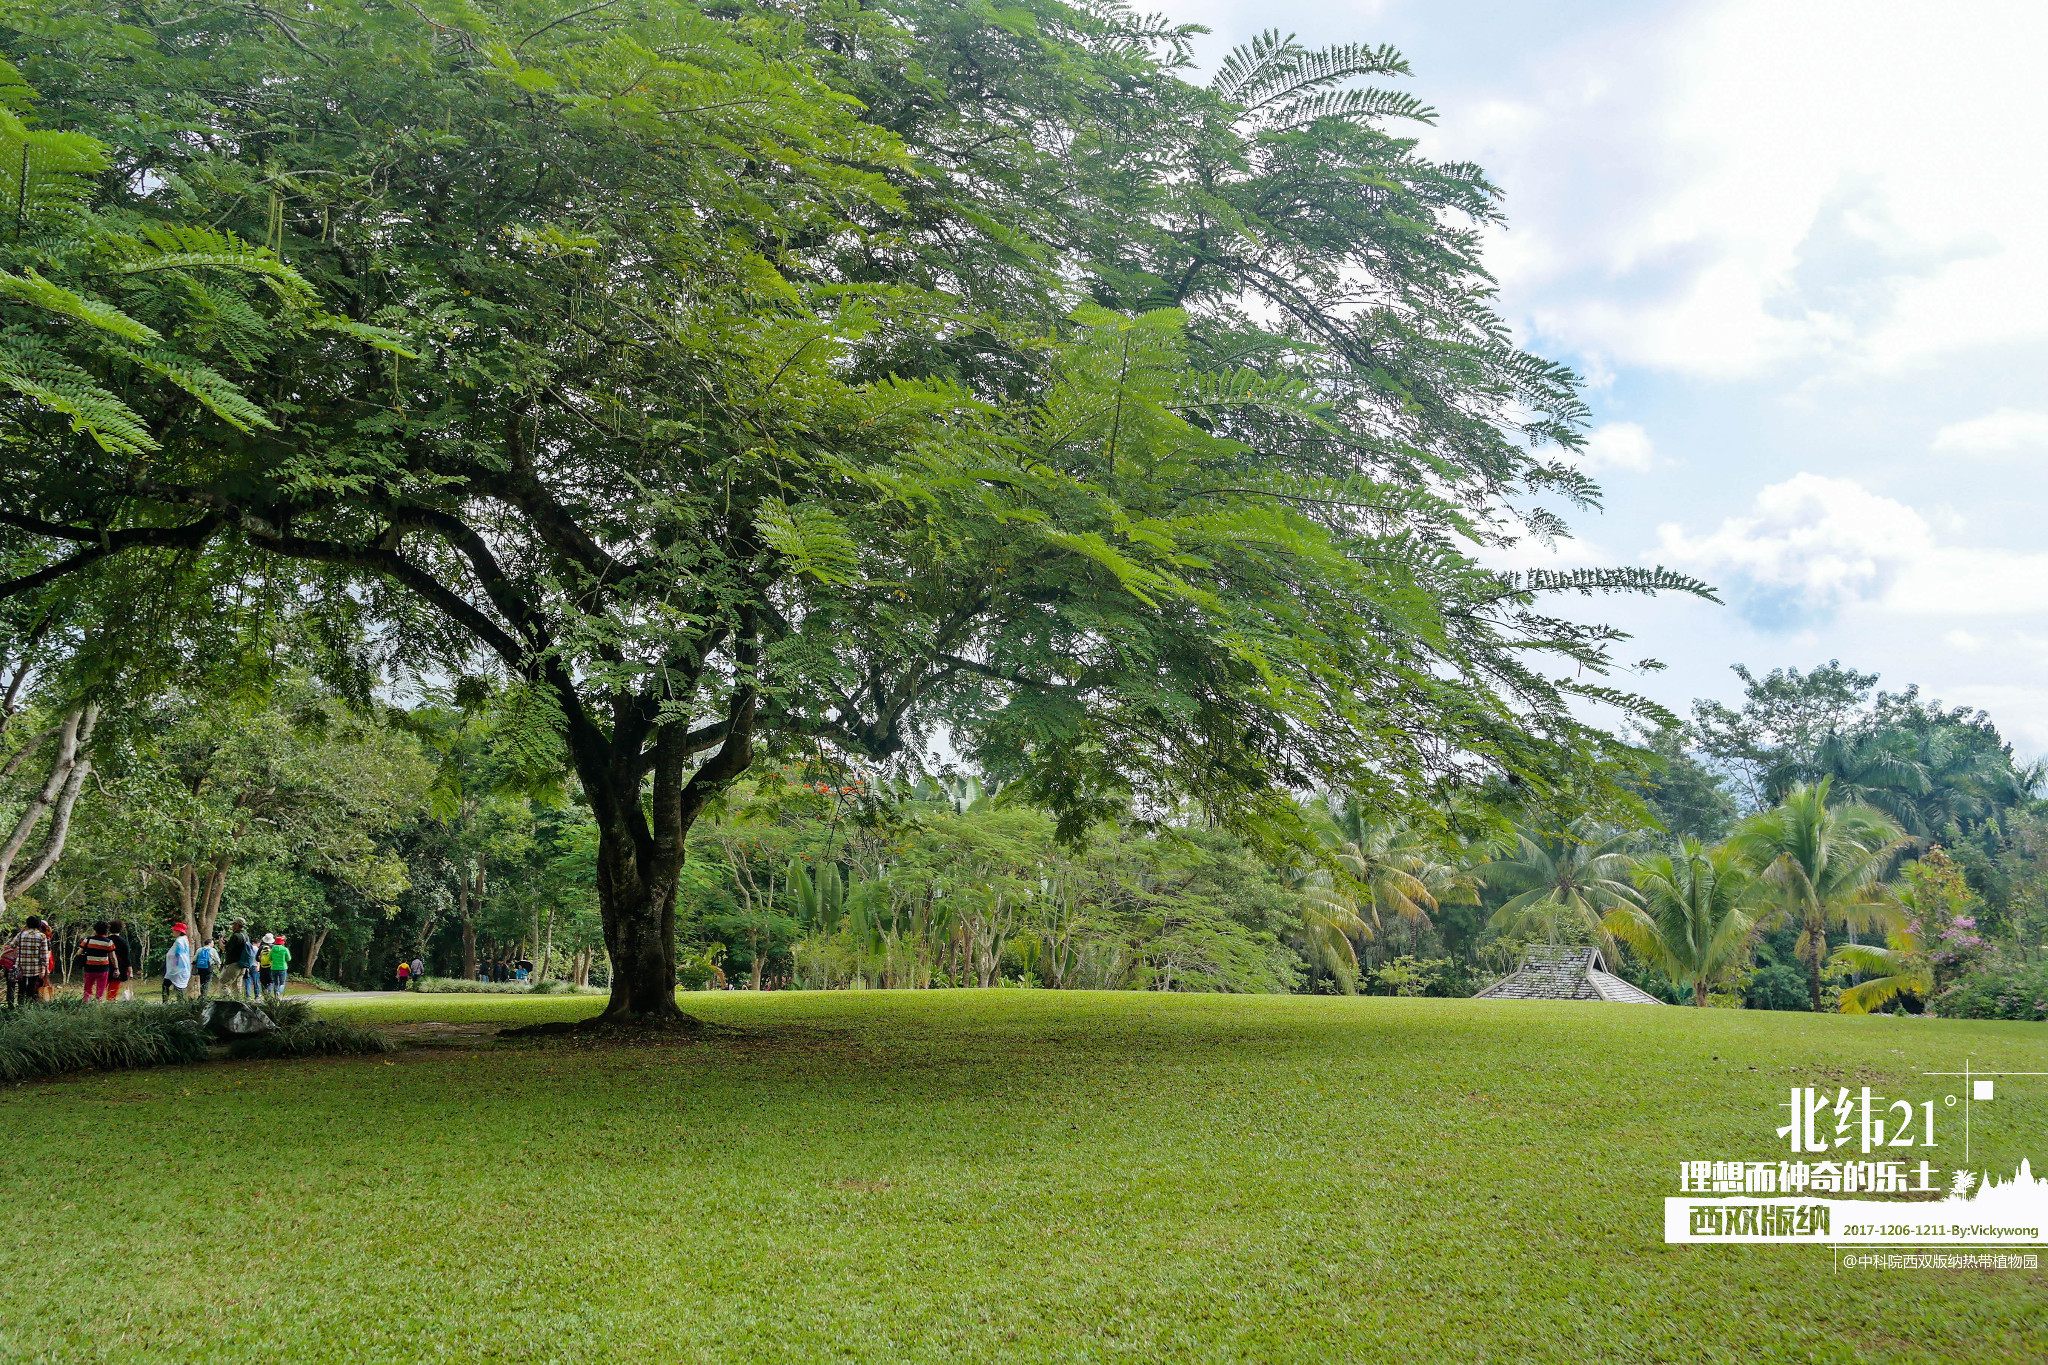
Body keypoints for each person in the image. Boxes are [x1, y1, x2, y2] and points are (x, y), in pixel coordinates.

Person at [6, 916, 53, 1007]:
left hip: (21, 967)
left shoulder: (21, 934)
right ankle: (28, 1007)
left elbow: (12, 945)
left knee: (21, 988)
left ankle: (20, 1006)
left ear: (27, 924)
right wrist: (44, 969)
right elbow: (44, 955)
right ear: (39, 924)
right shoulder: (42, 936)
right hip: (35, 968)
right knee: (31, 988)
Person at [79, 920, 119, 1001]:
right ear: (106, 930)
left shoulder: (88, 940)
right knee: (100, 989)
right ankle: (98, 1004)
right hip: (103, 969)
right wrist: (116, 968)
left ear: (95, 929)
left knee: (88, 988)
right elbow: (113, 957)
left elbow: (79, 952)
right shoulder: (108, 942)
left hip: (90, 968)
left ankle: (86, 1002)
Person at [162, 922, 192, 1003]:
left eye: (174, 930)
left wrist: (173, 967)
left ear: (179, 931)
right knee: (173, 986)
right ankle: (180, 1003)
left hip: (177, 969)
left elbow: (178, 955)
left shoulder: (179, 941)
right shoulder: (184, 939)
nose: (173, 932)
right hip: (182, 968)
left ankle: (175, 1003)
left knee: (172, 986)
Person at [222, 919, 251, 998]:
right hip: (242, 964)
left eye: (234, 924)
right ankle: (238, 1003)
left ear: (238, 925)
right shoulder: (246, 936)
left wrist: (221, 943)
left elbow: (226, 949)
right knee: (237, 987)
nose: (232, 926)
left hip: (233, 964)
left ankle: (227, 1002)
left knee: (223, 984)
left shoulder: (235, 936)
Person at [109, 916, 135, 1001]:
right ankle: (110, 1003)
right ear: (121, 929)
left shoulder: (106, 940)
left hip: (105, 967)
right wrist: (130, 971)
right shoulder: (123, 942)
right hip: (119, 969)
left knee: (100, 989)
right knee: (112, 991)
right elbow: (126, 958)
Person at [256, 933, 275, 998]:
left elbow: (257, 958)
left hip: (262, 967)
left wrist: (261, 960)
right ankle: (269, 993)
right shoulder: (273, 947)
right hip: (271, 967)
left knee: (263, 981)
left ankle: (265, 995)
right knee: (271, 981)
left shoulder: (261, 947)